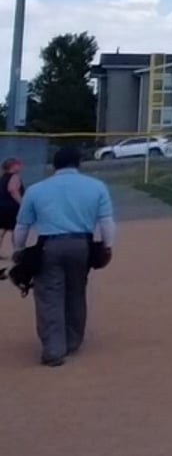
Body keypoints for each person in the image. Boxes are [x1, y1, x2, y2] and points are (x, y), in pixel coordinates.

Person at [11, 144, 116, 367]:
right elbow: (106, 222)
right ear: (78, 163)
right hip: (82, 245)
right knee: (76, 292)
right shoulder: (96, 186)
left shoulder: (36, 190)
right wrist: (107, 247)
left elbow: (22, 226)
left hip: (49, 246)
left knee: (50, 296)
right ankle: (72, 341)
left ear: (54, 165)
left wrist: (18, 250)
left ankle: (54, 349)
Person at [0, 157, 23, 257]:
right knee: (16, 230)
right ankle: (17, 252)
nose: (20, 167)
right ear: (13, 166)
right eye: (18, 164)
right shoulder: (14, 177)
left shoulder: (3, 177)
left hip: (2, 206)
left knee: (2, 229)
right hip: (11, 207)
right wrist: (22, 203)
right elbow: (13, 189)